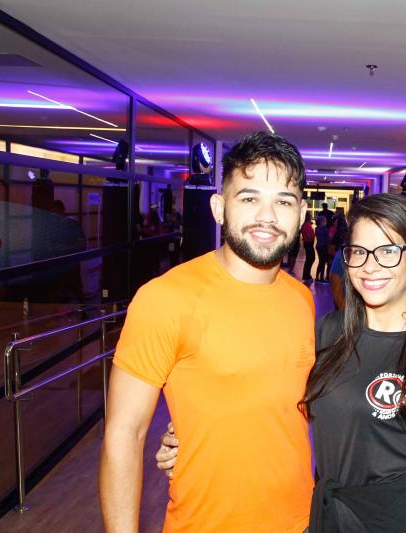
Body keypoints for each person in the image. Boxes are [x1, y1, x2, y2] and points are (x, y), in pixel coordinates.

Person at [156, 193, 406, 532]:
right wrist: (190, 431)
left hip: (398, 521)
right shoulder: (329, 333)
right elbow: (263, 393)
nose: (370, 266)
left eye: (388, 251)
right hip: (327, 516)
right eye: (359, 252)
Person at [99, 132, 315, 533]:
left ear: (301, 214)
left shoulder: (302, 299)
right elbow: (124, 434)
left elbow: (278, 405)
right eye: (249, 198)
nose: (267, 216)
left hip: (302, 520)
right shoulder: (166, 299)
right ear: (219, 208)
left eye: (283, 202)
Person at [301, 211, 316, 282]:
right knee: (310, 259)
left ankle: (307, 275)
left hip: (308, 243)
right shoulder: (306, 225)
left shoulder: (306, 225)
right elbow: (308, 235)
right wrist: (311, 238)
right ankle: (306, 275)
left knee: (310, 259)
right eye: (310, 216)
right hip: (308, 243)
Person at [315, 215, 330, 282]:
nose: (326, 222)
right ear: (322, 221)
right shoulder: (324, 229)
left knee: (320, 262)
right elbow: (327, 238)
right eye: (325, 221)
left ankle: (317, 277)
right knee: (323, 262)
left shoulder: (317, 228)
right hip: (323, 247)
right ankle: (321, 278)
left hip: (318, 246)